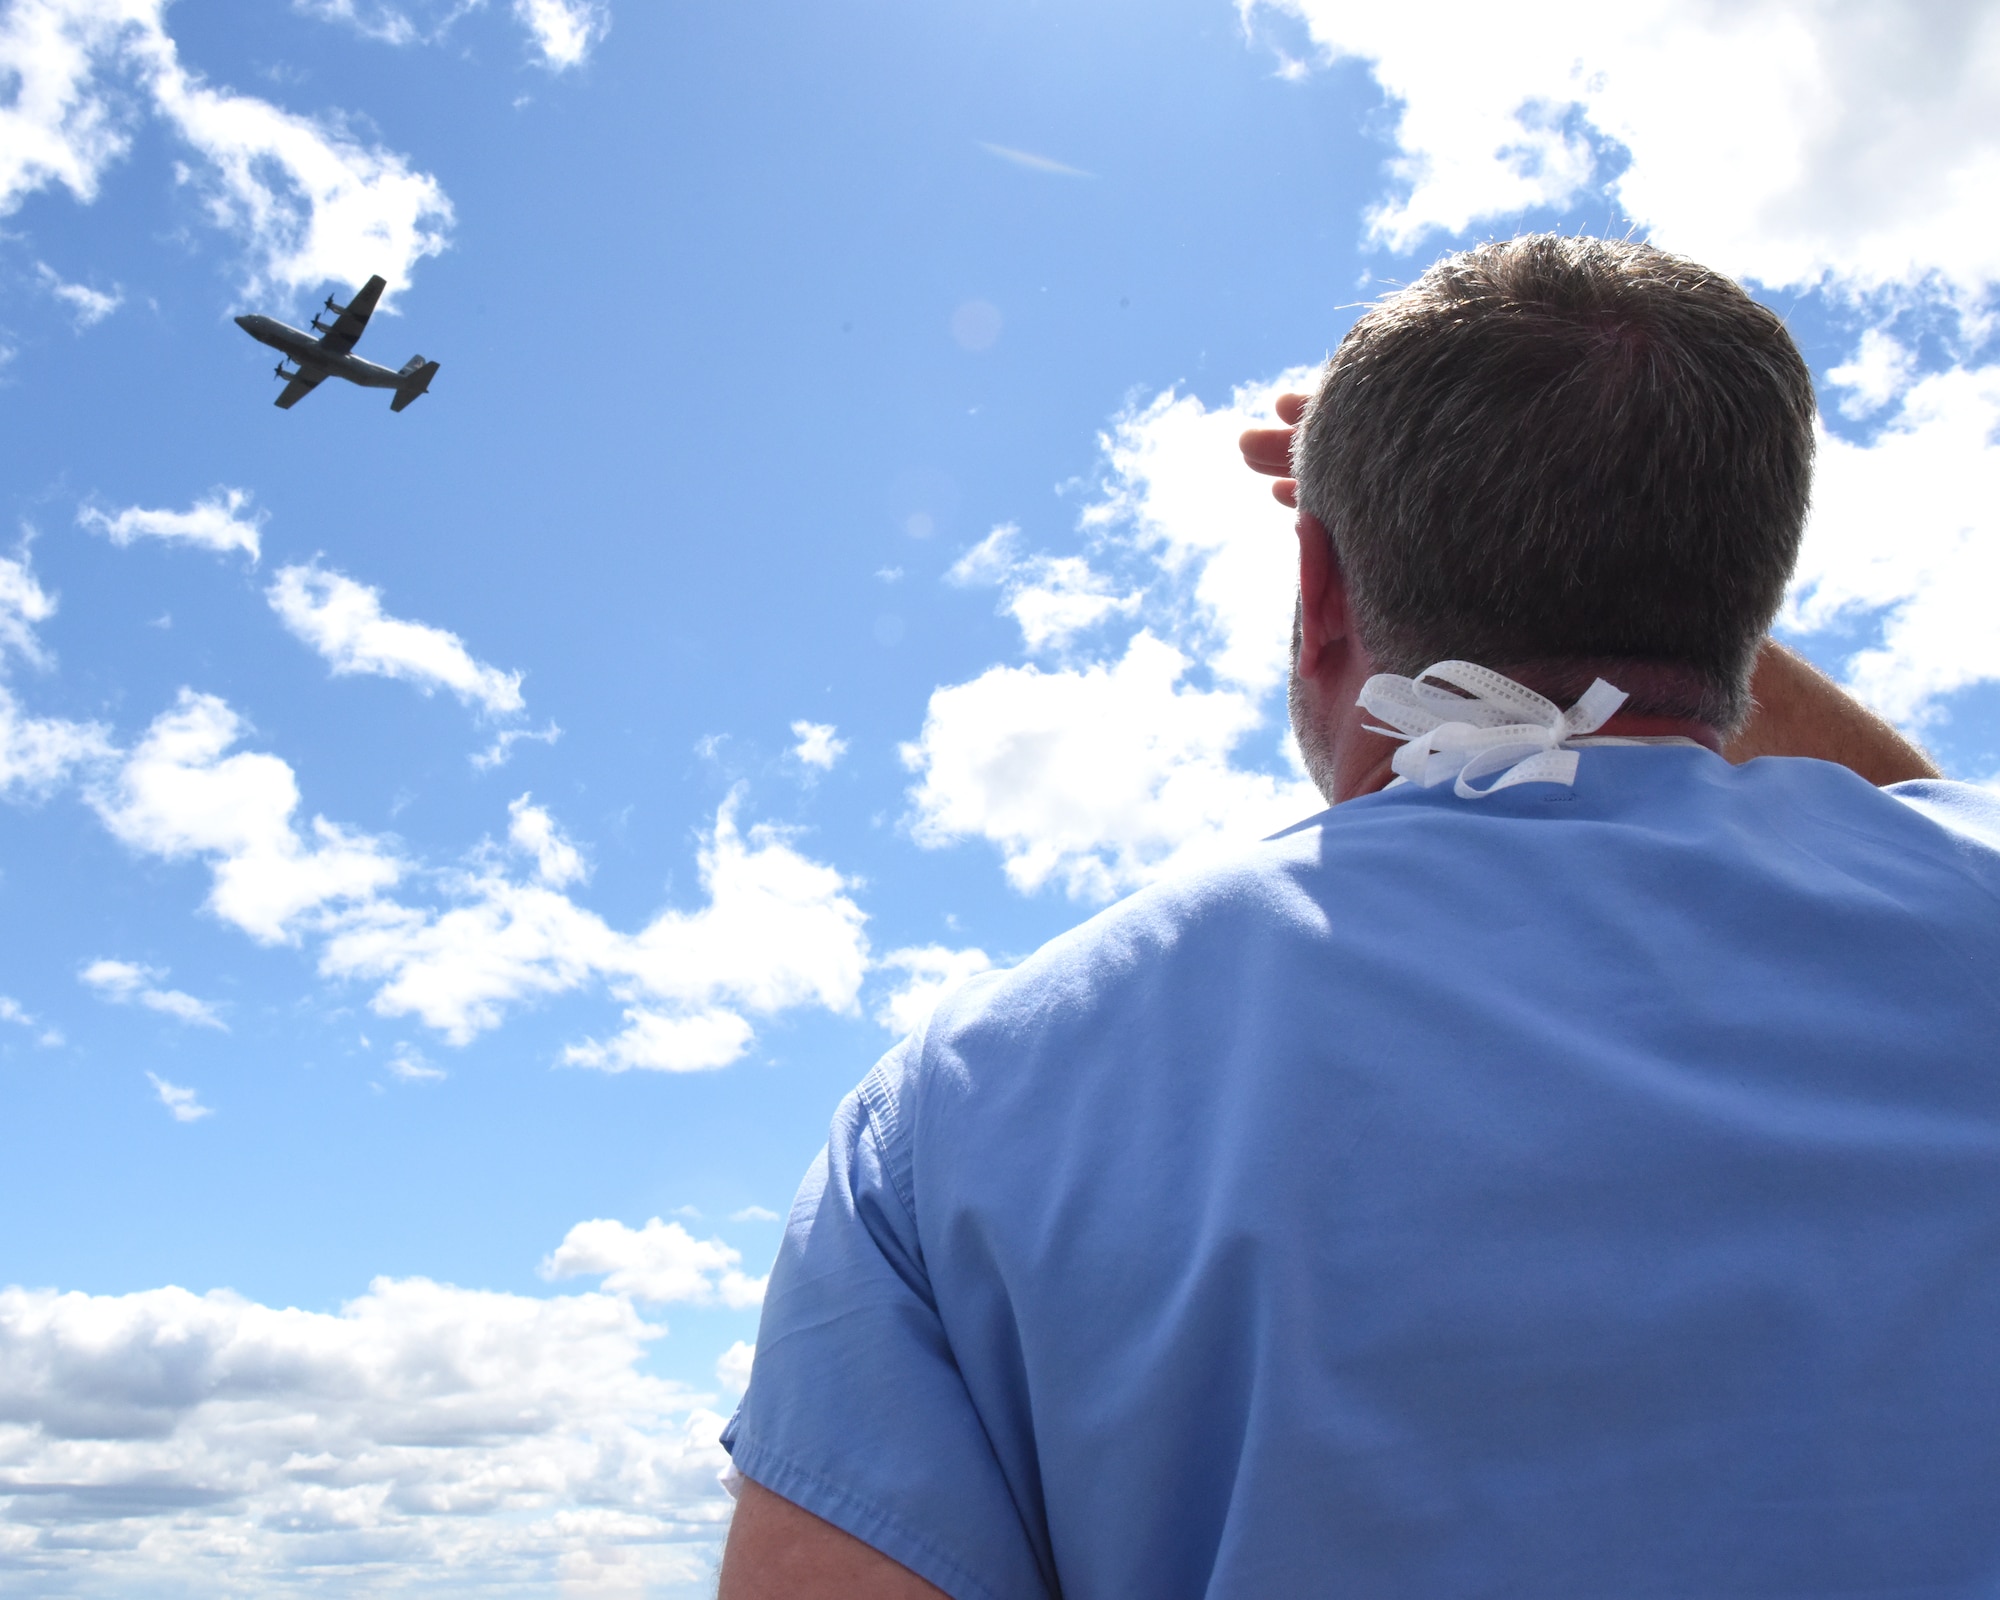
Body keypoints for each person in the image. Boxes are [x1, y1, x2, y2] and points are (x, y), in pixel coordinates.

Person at [716, 235, 2000, 1599]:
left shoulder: (954, 1115)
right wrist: (1646, 564)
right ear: (1746, 603)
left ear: (1318, 590)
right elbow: (1927, 822)